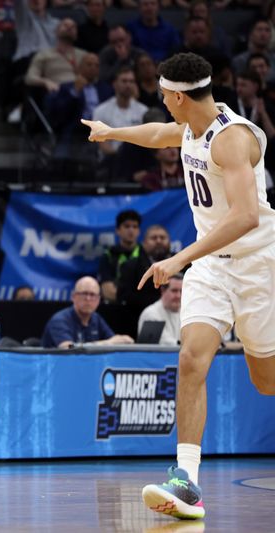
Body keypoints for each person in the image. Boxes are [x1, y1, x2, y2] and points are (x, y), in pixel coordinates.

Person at [82, 52, 275, 520]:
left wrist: (180, 257)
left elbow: (246, 216)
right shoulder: (192, 125)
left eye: (165, 98)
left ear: (178, 96)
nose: (162, 105)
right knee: (191, 358)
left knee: (265, 382)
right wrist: (113, 132)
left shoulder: (233, 140)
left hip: (257, 267)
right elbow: (162, 135)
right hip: (211, 266)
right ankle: (186, 479)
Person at [40, 276, 134, 348]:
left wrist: (123, 340)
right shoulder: (59, 320)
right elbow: (68, 349)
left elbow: (114, 340)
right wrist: (107, 343)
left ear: (98, 300)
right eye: (84, 293)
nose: (88, 299)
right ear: (74, 297)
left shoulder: (96, 319)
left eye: (92, 295)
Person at [117, 224, 173, 312]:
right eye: (154, 238)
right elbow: (124, 296)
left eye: (162, 238)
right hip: (141, 315)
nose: (158, 241)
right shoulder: (130, 266)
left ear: (169, 241)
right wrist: (161, 302)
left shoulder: (181, 263)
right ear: (144, 244)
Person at [97, 209, 141, 303]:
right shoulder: (108, 255)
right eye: (127, 226)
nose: (131, 230)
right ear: (118, 230)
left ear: (139, 231)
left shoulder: (145, 254)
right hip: (116, 306)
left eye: (135, 226)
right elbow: (107, 291)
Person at [137, 273, 182, 346]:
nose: (178, 296)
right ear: (163, 290)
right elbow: (166, 344)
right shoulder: (151, 313)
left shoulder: (186, 312)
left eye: (181, 291)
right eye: (174, 291)